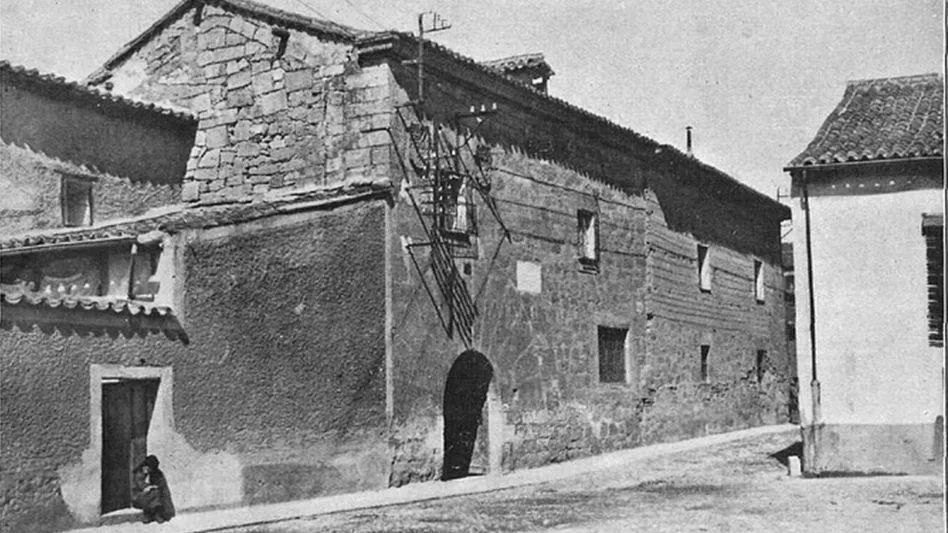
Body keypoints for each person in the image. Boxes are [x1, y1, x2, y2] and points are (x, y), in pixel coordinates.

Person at [131, 455, 175, 523]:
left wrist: (168, 510)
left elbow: (164, 488)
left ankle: (157, 514)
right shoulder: (139, 472)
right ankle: (148, 515)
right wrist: (147, 486)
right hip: (139, 496)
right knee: (154, 493)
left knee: (157, 493)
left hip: (153, 495)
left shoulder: (157, 473)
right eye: (148, 468)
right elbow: (139, 485)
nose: (149, 470)